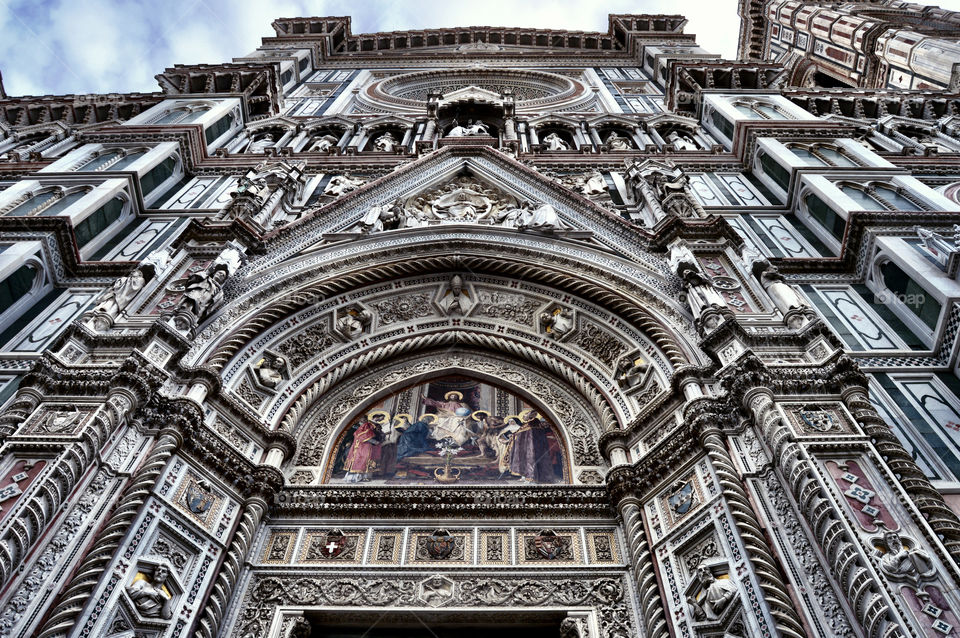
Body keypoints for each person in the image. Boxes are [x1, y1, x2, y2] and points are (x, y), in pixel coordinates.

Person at [508, 413, 556, 482]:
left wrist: (513, 436)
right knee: (527, 460)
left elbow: (520, 434)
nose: (523, 417)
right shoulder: (533, 424)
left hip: (530, 446)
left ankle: (531, 478)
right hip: (532, 447)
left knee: (530, 460)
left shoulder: (530, 424)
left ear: (528, 417)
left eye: (525, 416)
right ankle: (527, 477)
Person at [343, 414, 383, 482]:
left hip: (362, 446)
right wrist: (375, 442)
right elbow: (365, 436)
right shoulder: (366, 425)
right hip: (363, 446)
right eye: (361, 419)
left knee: (364, 461)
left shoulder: (367, 425)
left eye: (363, 419)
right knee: (361, 461)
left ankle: (363, 477)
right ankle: (357, 477)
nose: (362, 421)